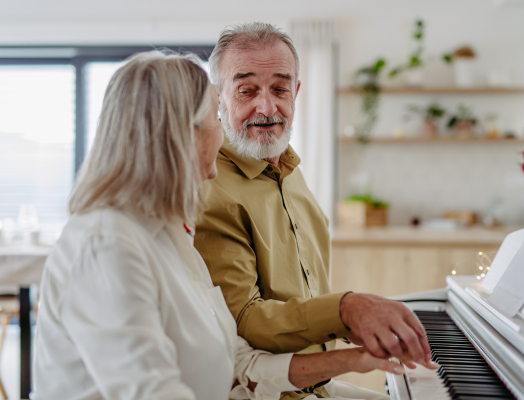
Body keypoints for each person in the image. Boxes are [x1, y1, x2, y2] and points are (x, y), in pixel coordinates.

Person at [32, 51, 405, 400]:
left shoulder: (171, 234)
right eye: (216, 117)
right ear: (181, 134)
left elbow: (238, 366)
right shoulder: (106, 246)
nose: (225, 134)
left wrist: (354, 361)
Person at [194, 22, 438, 400]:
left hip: (317, 386)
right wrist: (345, 310)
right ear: (219, 98)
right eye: (247, 90)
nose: (267, 106)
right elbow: (244, 319)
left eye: (280, 88)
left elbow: (303, 295)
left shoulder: (290, 171)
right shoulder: (212, 189)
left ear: (297, 92)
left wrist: (361, 322)